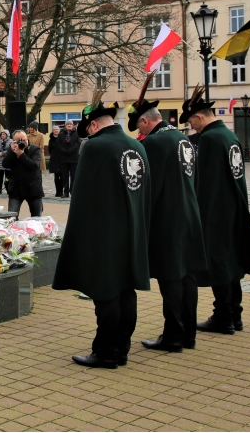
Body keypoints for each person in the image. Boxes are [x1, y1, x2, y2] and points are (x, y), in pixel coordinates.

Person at [52, 98, 150, 369]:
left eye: (88, 128)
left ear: (93, 124)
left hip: (105, 232)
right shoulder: (137, 145)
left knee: (105, 291)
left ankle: (105, 351)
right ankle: (121, 349)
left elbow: (82, 196)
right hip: (133, 230)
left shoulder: (95, 146)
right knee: (126, 291)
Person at [181, 87, 250, 336]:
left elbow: (205, 181)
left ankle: (223, 317)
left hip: (216, 210)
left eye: (192, 122)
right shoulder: (229, 135)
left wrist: (198, 213)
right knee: (231, 264)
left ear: (199, 117)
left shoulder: (210, 138)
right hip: (234, 207)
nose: (193, 128)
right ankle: (235, 314)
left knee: (219, 263)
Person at [129, 90, 207, 353]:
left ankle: (173, 336)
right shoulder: (182, 138)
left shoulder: (154, 143)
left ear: (145, 122)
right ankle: (189, 335)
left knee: (170, 277)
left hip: (167, 219)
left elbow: (147, 187)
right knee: (188, 276)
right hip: (189, 215)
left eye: (139, 126)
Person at [1, 130, 44, 216]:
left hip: (33, 188)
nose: (23, 142)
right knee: (12, 217)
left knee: (37, 218)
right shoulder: (12, 149)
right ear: (14, 141)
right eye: (19, 140)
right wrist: (12, 152)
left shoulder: (35, 149)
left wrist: (21, 155)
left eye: (24, 140)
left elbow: (34, 166)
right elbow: (5, 164)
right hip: (16, 188)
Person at [54, 120, 82, 197]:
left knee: (73, 176)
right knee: (64, 177)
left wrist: (69, 151)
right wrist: (64, 151)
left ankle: (73, 191)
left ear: (73, 126)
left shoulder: (77, 134)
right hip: (64, 159)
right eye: (67, 124)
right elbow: (58, 145)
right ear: (65, 126)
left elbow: (78, 144)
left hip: (74, 159)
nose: (69, 125)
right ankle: (66, 192)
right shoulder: (61, 135)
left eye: (70, 124)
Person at [47, 126, 64, 197]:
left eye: (57, 129)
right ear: (53, 131)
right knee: (56, 177)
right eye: (54, 130)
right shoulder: (51, 140)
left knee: (62, 176)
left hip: (62, 159)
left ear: (59, 130)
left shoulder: (62, 138)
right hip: (54, 159)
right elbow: (50, 150)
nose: (56, 131)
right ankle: (57, 191)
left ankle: (61, 191)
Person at [0, 129, 12, 195]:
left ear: (7, 135)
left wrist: (3, 153)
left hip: (7, 161)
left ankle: (8, 188)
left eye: (4, 134)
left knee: (7, 177)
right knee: (0, 176)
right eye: (2, 134)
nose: (2, 135)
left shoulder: (10, 141)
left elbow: (10, 150)